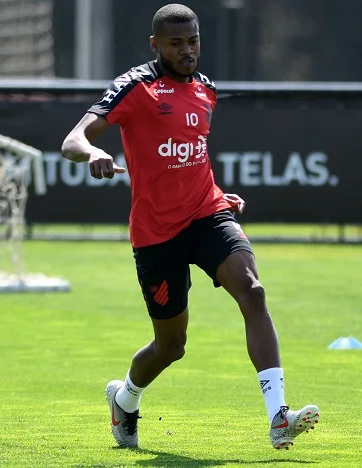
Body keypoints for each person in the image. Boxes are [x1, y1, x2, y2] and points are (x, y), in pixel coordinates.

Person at [61, 3, 319, 451]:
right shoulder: (135, 86)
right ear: (155, 45)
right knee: (171, 346)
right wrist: (94, 153)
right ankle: (125, 399)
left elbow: (190, 153)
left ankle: (279, 417)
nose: (187, 50)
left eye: (192, 41)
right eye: (175, 43)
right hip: (157, 234)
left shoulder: (206, 90)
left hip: (207, 213)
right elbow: (72, 140)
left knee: (252, 291)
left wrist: (218, 192)